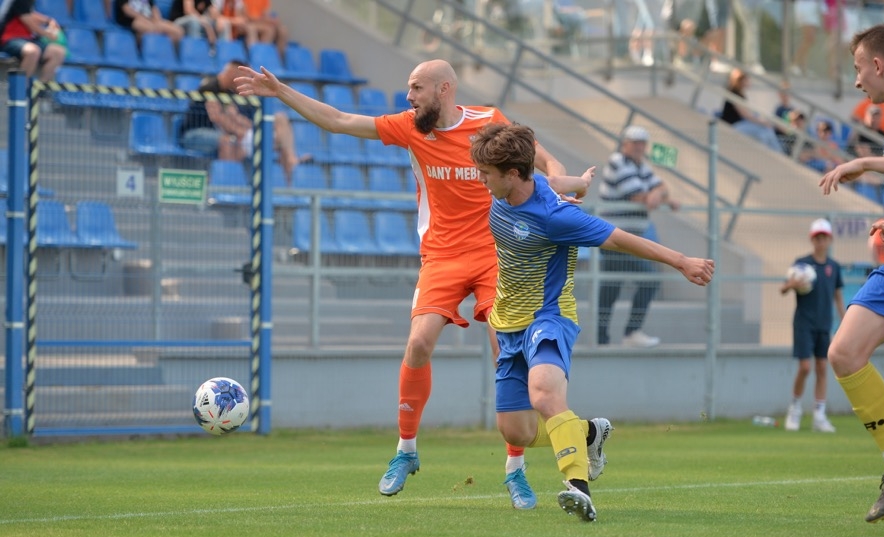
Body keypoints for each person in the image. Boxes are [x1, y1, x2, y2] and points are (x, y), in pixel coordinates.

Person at [234, 59, 614, 509]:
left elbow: (539, 160)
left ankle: (516, 469)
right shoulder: (410, 128)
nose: (409, 96)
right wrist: (282, 92)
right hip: (443, 256)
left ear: (444, 88)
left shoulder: (489, 121)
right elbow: (338, 121)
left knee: (504, 347)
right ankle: (406, 451)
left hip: (497, 255)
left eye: (416, 87)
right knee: (418, 343)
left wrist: (558, 187)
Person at [469, 122, 714, 520]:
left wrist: (682, 261)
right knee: (516, 431)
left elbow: (619, 239)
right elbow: (555, 173)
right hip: (507, 320)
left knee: (545, 395)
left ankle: (577, 488)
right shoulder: (514, 190)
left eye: (486, 175)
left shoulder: (556, 216)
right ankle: (588, 433)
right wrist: (580, 184)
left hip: (549, 316)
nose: (481, 181)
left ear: (513, 174)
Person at [819, 23, 884, 523]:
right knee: (844, 352)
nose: (855, 83)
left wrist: (864, 162)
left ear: (878, 65)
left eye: (856, 69)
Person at [596, 125, 679, 348]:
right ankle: (631, 332)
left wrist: (657, 193)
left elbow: (661, 189)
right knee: (649, 279)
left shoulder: (641, 165)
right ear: (625, 144)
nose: (639, 147)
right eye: (635, 142)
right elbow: (638, 196)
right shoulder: (617, 161)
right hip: (615, 238)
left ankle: (602, 339)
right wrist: (657, 195)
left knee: (611, 287)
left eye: (642, 143)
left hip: (627, 237)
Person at [179, 60, 303, 184]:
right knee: (228, 141)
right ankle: (225, 187)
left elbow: (234, 117)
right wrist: (242, 132)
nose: (246, 79)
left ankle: (240, 188)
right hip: (193, 134)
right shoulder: (209, 87)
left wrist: (245, 131)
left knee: (239, 142)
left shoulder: (230, 92)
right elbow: (216, 117)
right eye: (244, 75)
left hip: (222, 132)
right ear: (233, 73)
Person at [779, 218, 845, 433]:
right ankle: (795, 409)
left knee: (822, 367)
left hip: (823, 324)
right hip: (804, 323)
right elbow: (783, 289)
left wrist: (845, 321)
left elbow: (837, 296)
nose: (820, 241)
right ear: (812, 239)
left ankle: (819, 414)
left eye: (824, 237)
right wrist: (792, 284)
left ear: (829, 239)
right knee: (805, 367)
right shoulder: (802, 264)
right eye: (817, 237)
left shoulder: (834, 267)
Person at [720, 68, 784, 153]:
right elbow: (745, 115)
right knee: (765, 128)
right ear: (741, 81)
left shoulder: (741, 94)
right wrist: (763, 122)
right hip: (733, 125)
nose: (749, 81)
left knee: (765, 131)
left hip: (740, 124)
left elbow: (748, 114)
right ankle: (776, 152)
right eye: (747, 79)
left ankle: (774, 152)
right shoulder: (734, 94)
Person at [0, 0, 66, 82]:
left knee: (58, 52)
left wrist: (48, 20)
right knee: (33, 51)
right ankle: (21, 88)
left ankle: (41, 88)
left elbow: (29, 13)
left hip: (28, 39)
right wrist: (47, 34)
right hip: (9, 39)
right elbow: (28, 21)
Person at [112, 0, 184, 45]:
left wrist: (157, 21)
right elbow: (127, 10)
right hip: (132, 20)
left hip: (150, 20)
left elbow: (154, 9)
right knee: (151, 29)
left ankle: (163, 49)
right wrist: (145, 19)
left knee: (178, 31)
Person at [789, 0, 821, 77]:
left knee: (809, 40)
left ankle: (803, 67)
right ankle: (794, 63)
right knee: (809, 38)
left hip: (814, 8)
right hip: (805, 7)